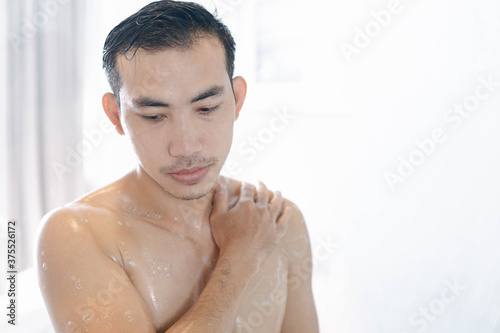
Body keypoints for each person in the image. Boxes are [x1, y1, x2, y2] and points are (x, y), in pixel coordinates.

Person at [35, 1, 319, 332]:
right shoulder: (77, 234)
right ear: (116, 115)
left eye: (207, 108)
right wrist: (240, 258)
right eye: (154, 116)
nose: (186, 147)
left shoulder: (279, 222)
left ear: (237, 99)